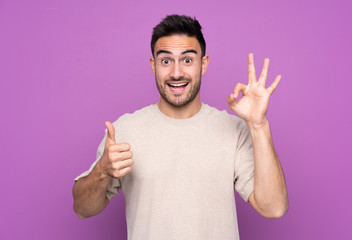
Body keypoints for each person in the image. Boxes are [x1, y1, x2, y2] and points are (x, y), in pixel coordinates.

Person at [72, 14, 288, 239]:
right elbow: (82, 208)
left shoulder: (233, 131)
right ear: (153, 65)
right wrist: (101, 172)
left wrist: (258, 125)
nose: (176, 73)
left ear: (203, 64)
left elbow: (274, 207)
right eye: (166, 61)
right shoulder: (125, 130)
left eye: (187, 60)